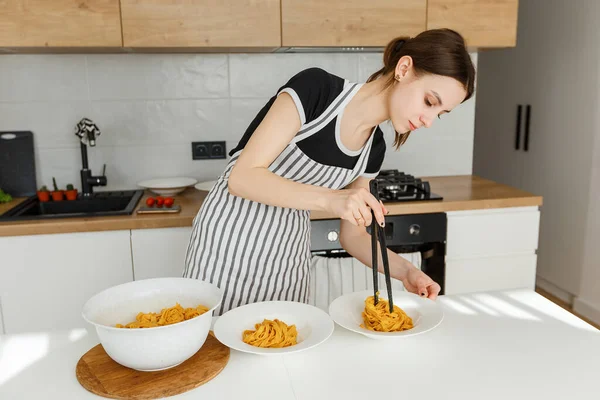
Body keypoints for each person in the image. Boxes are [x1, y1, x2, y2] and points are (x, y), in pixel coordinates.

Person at [183, 28, 476, 316]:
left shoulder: (373, 149)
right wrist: (332, 199)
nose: (429, 121)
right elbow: (243, 177)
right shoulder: (316, 90)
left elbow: (354, 236)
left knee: (282, 350)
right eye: (429, 102)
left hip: (286, 255)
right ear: (404, 68)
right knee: (217, 353)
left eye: (440, 113)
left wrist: (407, 272)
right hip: (226, 245)